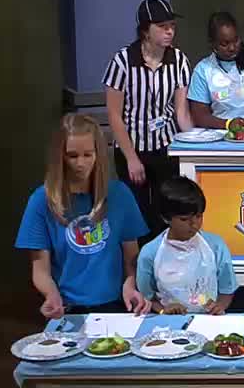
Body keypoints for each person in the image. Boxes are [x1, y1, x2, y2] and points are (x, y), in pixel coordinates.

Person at [16, 114, 150, 317]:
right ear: (60, 156)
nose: (80, 163)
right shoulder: (41, 201)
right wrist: (51, 295)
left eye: (88, 155)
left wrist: (130, 284)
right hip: (68, 307)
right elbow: (40, 270)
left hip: (115, 305)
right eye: (72, 156)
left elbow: (131, 257)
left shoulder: (119, 194)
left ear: (99, 154)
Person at [104, 0, 193, 240]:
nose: (170, 31)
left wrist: (194, 144)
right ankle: (139, 262)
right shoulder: (123, 61)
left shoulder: (179, 60)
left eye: (172, 26)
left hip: (166, 146)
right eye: (162, 26)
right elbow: (114, 115)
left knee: (166, 213)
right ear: (145, 30)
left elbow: (181, 113)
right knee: (138, 216)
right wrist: (132, 158)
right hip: (132, 147)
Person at [136, 177, 237, 315]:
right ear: (166, 218)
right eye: (184, 219)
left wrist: (219, 306)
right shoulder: (150, 253)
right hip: (169, 321)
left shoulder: (216, 246)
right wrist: (163, 310)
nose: (194, 224)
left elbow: (227, 289)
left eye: (198, 216)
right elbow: (147, 295)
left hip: (208, 320)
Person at [188, 11, 244, 130]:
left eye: (235, 40)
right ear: (212, 44)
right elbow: (200, 115)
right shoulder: (203, 69)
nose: (232, 48)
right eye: (224, 44)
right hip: (221, 132)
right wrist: (229, 125)